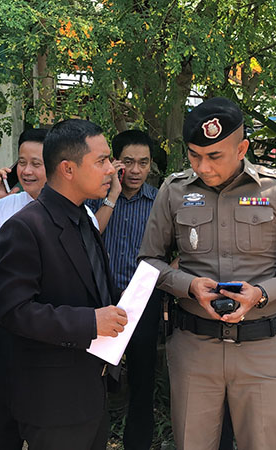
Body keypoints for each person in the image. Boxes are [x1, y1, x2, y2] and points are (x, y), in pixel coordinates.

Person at [138, 97, 276, 450]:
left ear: (242, 148)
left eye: (215, 155)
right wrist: (188, 286)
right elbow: (149, 261)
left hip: (261, 347)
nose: (203, 166)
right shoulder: (174, 191)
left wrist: (262, 294)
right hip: (194, 348)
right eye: (194, 155)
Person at [0, 119, 128, 450]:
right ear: (68, 168)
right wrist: (89, 322)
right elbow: (15, 311)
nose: (111, 169)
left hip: (91, 391)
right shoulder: (25, 228)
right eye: (101, 161)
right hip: (53, 401)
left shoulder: (85, 220)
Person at [0, 127, 97, 449]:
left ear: (57, 167)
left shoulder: (83, 218)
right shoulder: (6, 208)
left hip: (55, 334)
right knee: (0, 416)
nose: (26, 171)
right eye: (21, 162)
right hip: (2, 328)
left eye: (36, 163)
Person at [86, 129, 163, 450]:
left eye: (143, 163)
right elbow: (90, 236)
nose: (135, 171)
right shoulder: (95, 198)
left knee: (142, 385)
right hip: (100, 303)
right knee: (93, 383)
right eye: (128, 162)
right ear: (115, 161)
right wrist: (112, 194)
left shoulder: (159, 201)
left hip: (143, 305)